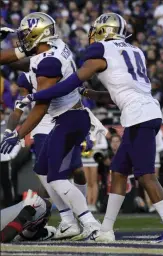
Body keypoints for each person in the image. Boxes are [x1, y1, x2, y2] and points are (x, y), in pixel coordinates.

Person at [19, 13, 163, 244]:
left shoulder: (101, 50)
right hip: (142, 112)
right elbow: (119, 94)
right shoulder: (135, 50)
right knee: (118, 171)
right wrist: (89, 94)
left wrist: (39, 94)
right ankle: (106, 230)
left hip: (140, 116)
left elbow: (74, 80)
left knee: (146, 176)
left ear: (102, 31)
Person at [0, 13, 100, 239]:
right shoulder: (50, 48)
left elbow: (41, 106)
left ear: (39, 34)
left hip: (68, 118)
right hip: (67, 117)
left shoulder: (48, 62)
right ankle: (70, 221)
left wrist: (18, 135)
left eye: (26, 34)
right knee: (42, 170)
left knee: (56, 177)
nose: (22, 39)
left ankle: (90, 223)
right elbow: (15, 59)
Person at [6, 72, 88, 239]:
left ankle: (81, 217)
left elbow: (76, 97)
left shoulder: (57, 68)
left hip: (66, 122)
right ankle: (71, 219)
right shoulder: (27, 78)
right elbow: (18, 109)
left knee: (76, 171)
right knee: (47, 174)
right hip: (43, 127)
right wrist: (10, 131)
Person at [82, 131, 108, 213]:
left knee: (94, 182)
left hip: (94, 159)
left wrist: (92, 145)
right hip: (84, 159)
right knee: (87, 182)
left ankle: (93, 204)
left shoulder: (98, 131)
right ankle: (89, 203)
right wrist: (83, 146)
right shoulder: (82, 130)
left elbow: (105, 145)